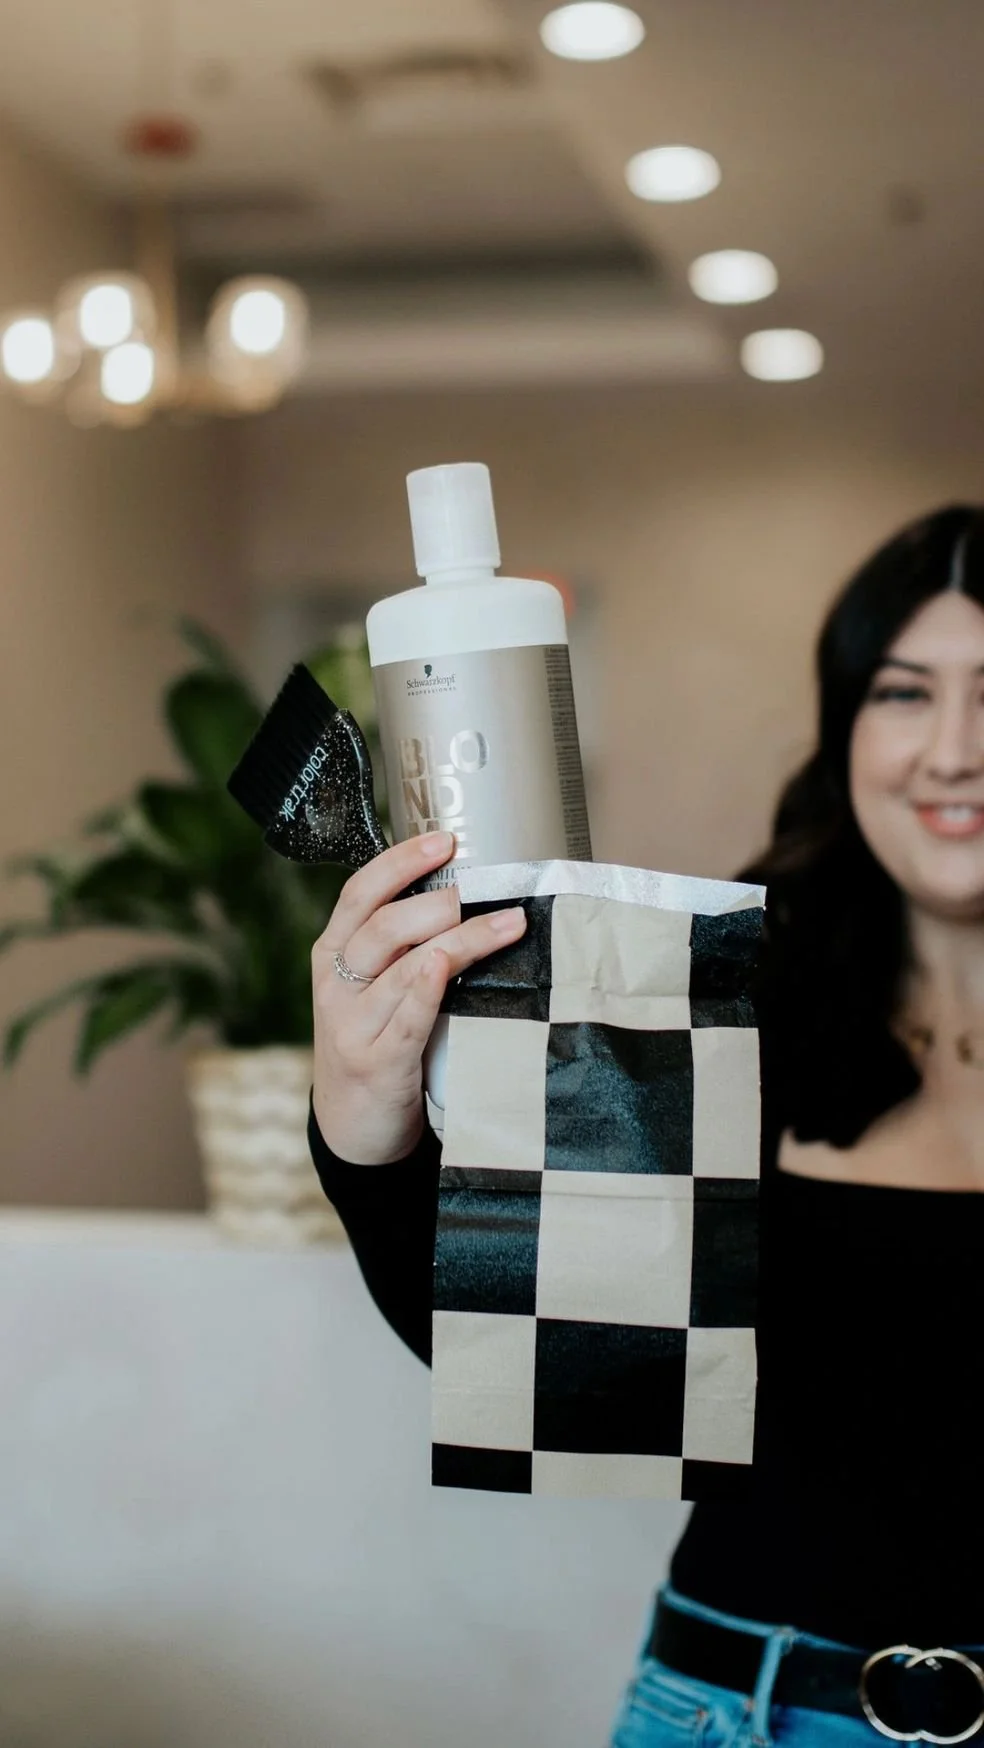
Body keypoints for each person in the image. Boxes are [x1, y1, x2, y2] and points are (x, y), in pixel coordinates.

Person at [307, 503, 984, 1748]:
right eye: (904, 692)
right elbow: (533, 1350)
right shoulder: (724, 1000)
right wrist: (363, 1129)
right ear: (846, 728)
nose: (954, 747)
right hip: (740, 1707)